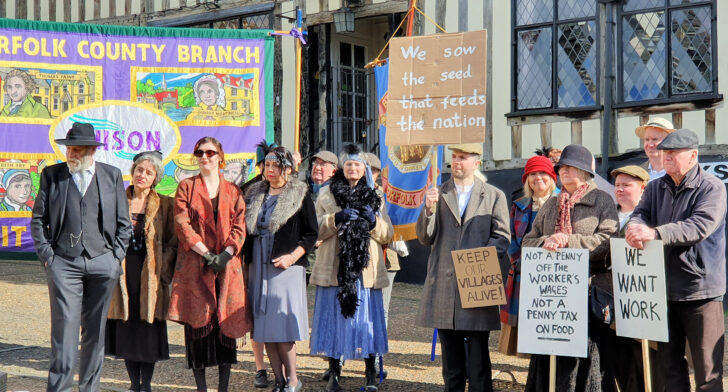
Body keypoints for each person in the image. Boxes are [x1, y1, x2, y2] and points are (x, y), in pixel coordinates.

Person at [30, 122, 132, 392]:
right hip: (63, 262)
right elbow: (38, 220)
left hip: (103, 261)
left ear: (91, 151)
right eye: (69, 149)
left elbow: (124, 223)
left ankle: (90, 388)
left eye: (76, 149)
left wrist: (115, 258)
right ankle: (60, 388)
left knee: (95, 333)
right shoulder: (52, 175)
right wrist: (48, 257)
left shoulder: (112, 176)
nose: (71, 154)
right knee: (64, 331)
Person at [626, 128, 726, 391]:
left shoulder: (712, 187)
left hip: (700, 291)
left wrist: (655, 233)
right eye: (664, 152)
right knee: (667, 368)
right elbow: (640, 213)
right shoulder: (656, 186)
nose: (666, 157)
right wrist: (635, 227)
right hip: (662, 289)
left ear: (693, 155)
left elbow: (699, 225)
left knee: (707, 371)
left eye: (673, 153)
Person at [522, 144, 618, 392]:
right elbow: (527, 241)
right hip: (553, 298)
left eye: (571, 168)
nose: (564, 172)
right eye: (562, 168)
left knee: (586, 359)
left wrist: (568, 241)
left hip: (588, 295)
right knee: (551, 358)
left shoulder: (603, 201)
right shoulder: (552, 203)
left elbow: (607, 242)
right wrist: (547, 241)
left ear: (586, 173)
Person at [416, 143, 510, 392]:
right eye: (454, 157)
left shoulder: (493, 195)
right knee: (452, 363)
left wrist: (478, 263)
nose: (456, 162)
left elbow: (502, 237)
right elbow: (426, 237)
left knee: (478, 360)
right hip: (445, 287)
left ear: (476, 162)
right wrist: (428, 209)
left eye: (463, 158)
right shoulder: (438, 193)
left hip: (477, 284)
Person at [167, 137, 251, 392]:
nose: (204, 157)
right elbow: (182, 224)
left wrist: (225, 255)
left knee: (226, 328)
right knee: (197, 327)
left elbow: (240, 226)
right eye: (199, 153)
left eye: (210, 152)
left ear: (220, 157)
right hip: (195, 265)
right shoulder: (186, 187)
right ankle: (201, 387)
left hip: (227, 268)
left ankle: (223, 387)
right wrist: (206, 254)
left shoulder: (234, 191)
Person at [310, 144, 393, 392]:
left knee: (366, 320)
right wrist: (335, 218)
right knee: (335, 320)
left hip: (364, 270)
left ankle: (369, 371)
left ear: (364, 169)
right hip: (336, 268)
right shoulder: (326, 195)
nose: (353, 168)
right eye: (349, 165)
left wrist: (372, 220)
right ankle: (334, 371)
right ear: (342, 169)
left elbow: (388, 233)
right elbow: (314, 228)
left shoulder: (376, 197)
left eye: (357, 165)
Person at [243, 144, 318, 392]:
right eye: (267, 165)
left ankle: (293, 379)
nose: (271, 170)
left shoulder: (300, 194)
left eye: (276, 165)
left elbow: (311, 234)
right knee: (264, 326)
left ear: (288, 168)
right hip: (258, 263)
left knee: (283, 326)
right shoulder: (254, 193)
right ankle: (278, 380)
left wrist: (292, 257)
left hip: (285, 267)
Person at [106, 150, 177, 392]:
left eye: (148, 172)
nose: (142, 175)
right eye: (139, 170)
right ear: (132, 172)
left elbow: (173, 242)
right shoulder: (116, 200)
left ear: (156, 177)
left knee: (147, 331)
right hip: (123, 274)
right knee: (127, 328)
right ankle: (133, 384)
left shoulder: (166, 204)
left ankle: (146, 384)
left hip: (152, 277)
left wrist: (163, 270)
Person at [498, 155, 559, 356]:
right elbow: (511, 237)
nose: (537, 178)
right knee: (527, 321)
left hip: (554, 275)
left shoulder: (563, 202)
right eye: (532, 174)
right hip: (522, 271)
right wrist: (520, 262)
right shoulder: (519, 205)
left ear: (551, 177)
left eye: (542, 173)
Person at [609, 164, 654, 392]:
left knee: (645, 363)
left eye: (626, 185)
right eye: (617, 185)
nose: (619, 189)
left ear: (643, 188)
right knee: (620, 362)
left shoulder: (653, 219)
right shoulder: (608, 216)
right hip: (612, 301)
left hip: (644, 301)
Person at [635, 117, 675, 181]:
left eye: (655, 139)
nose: (650, 144)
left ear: (669, 142)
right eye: (647, 139)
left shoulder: (679, 172)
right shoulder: (636, 173)